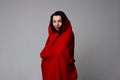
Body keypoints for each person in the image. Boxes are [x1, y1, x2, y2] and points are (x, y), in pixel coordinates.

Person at [40, 11, 78, 80]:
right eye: (54, 21)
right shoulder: (52, 35)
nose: (57, 24)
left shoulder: (68, 34)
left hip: (62, 69)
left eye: (59, 21)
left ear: (64, 22)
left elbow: (61, 52)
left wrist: (51, 55)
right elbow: (45, 53)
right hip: (51, 70)